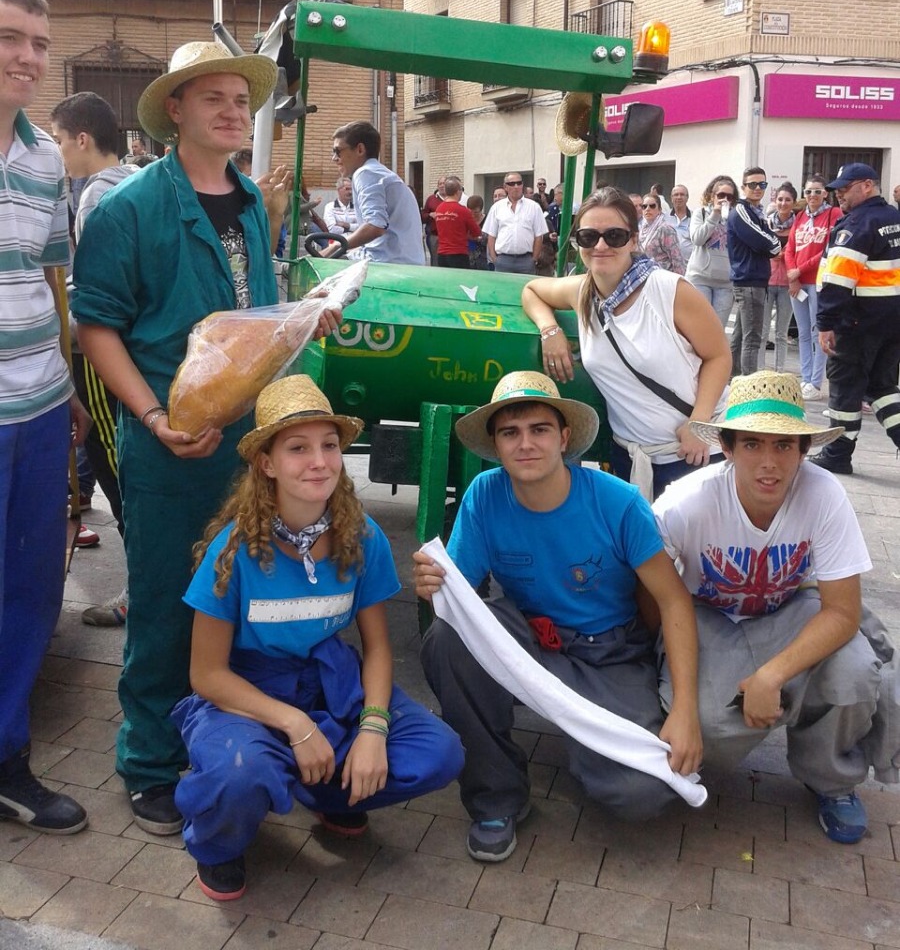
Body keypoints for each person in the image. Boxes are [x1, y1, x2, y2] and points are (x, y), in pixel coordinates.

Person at [73, 41, 342, 835]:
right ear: (176, 111)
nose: (232, 110)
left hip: (247, 438)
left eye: (240, 98)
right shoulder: (129, 209)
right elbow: (96, 325)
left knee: (236, 597)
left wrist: (303, 313)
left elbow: (253, 314)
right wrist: (153, 418)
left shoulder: (253, 201)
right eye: (213, 98)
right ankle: (149, 763)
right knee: (164, 600)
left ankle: (217, 738)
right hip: (169, 439)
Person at [171, 375, 462, 900]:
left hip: (332, 685)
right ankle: (218, 841)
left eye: (329, 446)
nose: (319, 462)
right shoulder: (232, 551)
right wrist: (295, 724)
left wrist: (373, 730)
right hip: (246, 696)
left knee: (437, 752)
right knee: (240, 774)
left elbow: (377, 648)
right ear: (266, 463)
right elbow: (206, 674)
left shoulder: (361, 534)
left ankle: (331, 794)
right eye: (298, 448)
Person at [413, 371, 702, 863]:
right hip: (532, 645)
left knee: (642, 794)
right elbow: (458, 595)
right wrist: (432, 585)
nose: (525, 444)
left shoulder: (619, 502)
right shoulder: (484, 495)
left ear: (564, 438)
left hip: (611, 653)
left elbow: (674, 602)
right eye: (510, 432)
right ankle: (496, 795)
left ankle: (591, 742)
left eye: (539, 429)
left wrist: (686, 710)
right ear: (496, 444)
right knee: (447, 637)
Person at [654, 370, 900, 844]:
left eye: (784, 446)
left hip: (792, 611)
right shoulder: (683, 505)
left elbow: (843, 611)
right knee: (707, 722)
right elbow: (654, 600)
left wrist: (771, 676)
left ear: (804, 451)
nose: (769, 463)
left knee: (854, 673)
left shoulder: (823, 493)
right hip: (707, 620)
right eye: (752, 444)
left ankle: (831, 780)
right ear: (726, 448)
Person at [0, 0, 90, 834]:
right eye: (9, 37)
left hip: (35, 409)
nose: (27, 56)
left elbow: (53, 277)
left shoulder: (43, 158)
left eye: (37, 40)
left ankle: (6, 757)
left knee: (30, 587)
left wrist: (68, 394)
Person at [522, 187, 731, 500]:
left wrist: (697, 424)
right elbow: (532, 291)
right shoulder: (583, 293)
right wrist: (550, 331)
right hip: (631, 460)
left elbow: (719, 356)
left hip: (694, 453)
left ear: (634, 240)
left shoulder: (668, 290)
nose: (601, 246)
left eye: (615, 236)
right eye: (589, 237)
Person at [50, 91, 137, 627]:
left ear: (83, 139)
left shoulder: (97, 196)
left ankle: (142, 590)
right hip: (134, 358)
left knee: (116, 471)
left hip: (106, 358)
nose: (58, 152)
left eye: (59, 140)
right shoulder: (137, 179)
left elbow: (105, 292)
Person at [808, 162, 900, 475]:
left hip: (858, 325)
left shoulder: (858, 225)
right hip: (891, 324)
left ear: (867, 185)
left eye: (845, 189)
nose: (839, 196)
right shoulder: (895, 219)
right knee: (882, 386)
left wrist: (826, 324)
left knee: (845, 389)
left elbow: (838, 281)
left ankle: (837, 454)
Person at [329, 121, 425, 265]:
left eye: (337, 151)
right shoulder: (380, 173)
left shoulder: (366, 173)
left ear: (360, 149)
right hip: (403, 263)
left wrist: (337, 245)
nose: (334, 158)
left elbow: (375, 226)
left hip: (389, 267)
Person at [784, 174, 840, 402]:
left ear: (825, 193)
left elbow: (829, 247)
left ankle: (816, 383)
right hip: (798, 282)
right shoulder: (799, 216)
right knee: (803, 334)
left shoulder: (833, 214)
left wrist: (801, 269)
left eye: (817, 191)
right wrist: (792, 275)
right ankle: (805, 378)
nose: (813, 196)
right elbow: (790, 248)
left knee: (819, 333)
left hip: (818, 282)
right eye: (808, 192)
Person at [728, 166, 782, 376]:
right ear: (743, 187)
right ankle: (747, 385)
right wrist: (775, 245)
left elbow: (767, 240)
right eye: (752, 185)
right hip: (749, 280)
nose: (758, 188)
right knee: (752, 338)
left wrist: (772, 243)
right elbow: (765, 242)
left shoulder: (755, 212)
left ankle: (733, 381)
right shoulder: (742, 211)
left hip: (752, 280)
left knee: (742, 336)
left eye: (762, 184)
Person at [686, 174, 737, 328]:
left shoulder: (735, 217)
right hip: (700, 278)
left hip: (725, 282)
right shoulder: (700, 213)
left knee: (717, 329)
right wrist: (714, 215)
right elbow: (697, 239)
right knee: (699, 327)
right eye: (721, 195)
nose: (725, 199)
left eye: (729, 196)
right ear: (712, 196)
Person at [758, 183, 797, 373]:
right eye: (780, 199)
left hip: (788, 283)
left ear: (793, 202)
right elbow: (757, 248)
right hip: (766, 281)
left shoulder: (799, 225)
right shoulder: (766, 223)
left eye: (787, 200)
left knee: (781, 333)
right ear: (775, 201)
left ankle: (780, 371)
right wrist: (770, 254)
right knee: (763, 331)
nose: (783, 203)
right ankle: (760, 371)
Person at [482, 172, 548, 274]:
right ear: (505, 187)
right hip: (503, 260)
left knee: (525, 289)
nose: (516, 186)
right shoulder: (497, 207)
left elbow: (539, 236)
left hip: (526, 260)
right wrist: (495, 259)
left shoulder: (534, 207)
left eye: (519, 183)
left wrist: (534, 259)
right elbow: (491, 235)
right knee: (502, 289)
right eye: (512, 184)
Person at [434, 175, 482, 268]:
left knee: (446, 281)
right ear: (458, 191)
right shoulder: (463, 210)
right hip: (458, 254)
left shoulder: (439, 209)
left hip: (441, 254)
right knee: (461, 281)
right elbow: (477, 232)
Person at [638, 193, 685, 274]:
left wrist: (679, 282)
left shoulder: (665, 229)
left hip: (664, 277)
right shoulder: (641, 228)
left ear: (659, 210)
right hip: (646, 276)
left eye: (652, 206)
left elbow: (677, 259)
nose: (648, 209)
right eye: (644, 206)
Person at [322, 175, 358, 239]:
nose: (350, 192)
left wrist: (346, 225)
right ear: (339, 190)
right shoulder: (330, 207)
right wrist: (352, 228)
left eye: (351, 189)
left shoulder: (357, 207)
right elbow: (332, 230)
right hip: (337, 243)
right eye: (347, 189)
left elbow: (362, 227)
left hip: (355, 242)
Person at [421, 175, 446, 265]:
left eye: (444, 183)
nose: (442, 185)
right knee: (436, 262)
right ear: (437, 186)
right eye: (440, 184)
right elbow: (423, 215)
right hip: (434, 236)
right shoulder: (431, 199)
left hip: (448, 237)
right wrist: (430, 215)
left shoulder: (452, 199)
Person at [667, 184, 692, 264]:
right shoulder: (663, 218)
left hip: (689, 265)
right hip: (669, 265)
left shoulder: (695, 217)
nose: (679, 197)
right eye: (676, 195)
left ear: (687, 198)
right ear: (671, 198)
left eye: (682, 194)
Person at [466, 194, 489, 270]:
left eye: (476, 212)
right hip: (468, 258)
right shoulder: (466, 219)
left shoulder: (488, 220)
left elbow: (490, 238)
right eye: (470, 212)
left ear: (481, 210)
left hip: (484, 258)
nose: (472, 215)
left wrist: (478, 238)